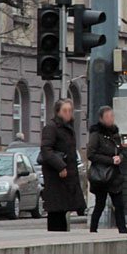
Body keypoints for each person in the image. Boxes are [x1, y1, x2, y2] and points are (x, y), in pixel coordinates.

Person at [40, 99, 87, 232]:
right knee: (56, 210)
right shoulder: (51, 127)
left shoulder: (68, 128)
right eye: (64, 111)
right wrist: (60, 166)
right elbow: (46, 150)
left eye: (70, 111)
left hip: (67, 176)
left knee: (63, 209)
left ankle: (62, 233)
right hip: (57, 176)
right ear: (58, 112)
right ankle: (55, 235)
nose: (68, 113)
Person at [87, 106, 127, 234]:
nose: (111, 119)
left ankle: (123, 230)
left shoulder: (115, 134)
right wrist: (110, 160)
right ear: (101, 119)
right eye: (108, 117)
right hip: (101, 175)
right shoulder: (96, 134)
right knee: (100, 204)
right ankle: (93, 229)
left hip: (114, 175)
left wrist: (120, 158)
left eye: (112, 116)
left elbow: (121, 151)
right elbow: (91, 154)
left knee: (119, 204)